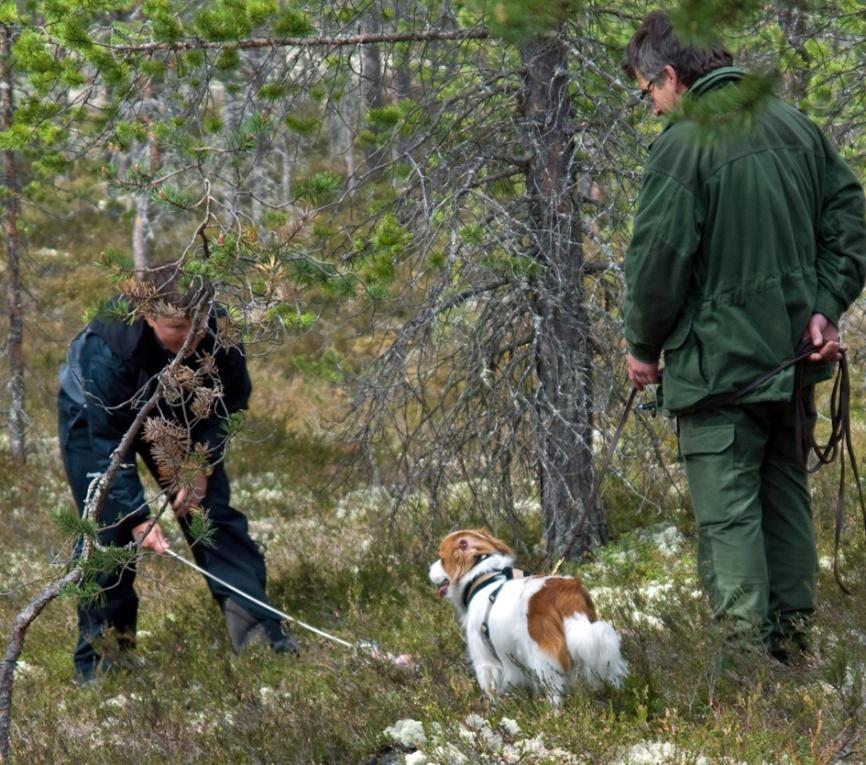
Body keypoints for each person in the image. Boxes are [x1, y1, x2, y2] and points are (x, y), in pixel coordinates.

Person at [621, 11, 866, 664]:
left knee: (730, 525)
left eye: (649, 94)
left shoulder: (681, 145)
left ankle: (748, 681)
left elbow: (658, 261)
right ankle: (792, 658)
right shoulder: (795, 126)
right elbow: (850, 219)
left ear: (671, 77)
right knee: (785, 506)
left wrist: (642, 346)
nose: (652, 109)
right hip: (790, 365)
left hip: (720, 375)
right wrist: (825, 305)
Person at [58, 267, 298, 684]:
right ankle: (104, 660)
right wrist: (136, 516)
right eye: (178, 327)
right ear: (149, 317)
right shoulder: (109, 347)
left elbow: (233, 402)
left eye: (199, 323)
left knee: (211, 515)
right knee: (108, 532)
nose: (192, 336)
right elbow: (106, 444)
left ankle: (259, 632)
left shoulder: (219, 334)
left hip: (180, 414)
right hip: (96, 413)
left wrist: (198, 462)